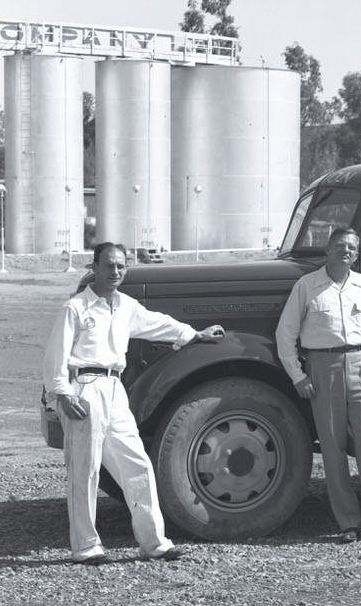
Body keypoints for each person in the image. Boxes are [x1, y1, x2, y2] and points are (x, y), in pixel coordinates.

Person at [43, 241, 225, 565]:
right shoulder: (76, 308)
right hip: (84, 388)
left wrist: (194, 334)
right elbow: (55, 354)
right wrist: (63, 394)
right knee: (84, 471)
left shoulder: (126, 306)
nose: (115, 271)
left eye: (121, 266)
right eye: (109, 265)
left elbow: (158, 324)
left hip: (115, 390)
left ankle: (154, 543)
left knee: (137, 464)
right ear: (94, 268)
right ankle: (85, 547)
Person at [275, 227, 361, 543]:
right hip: (322, 367)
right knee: (332, 446)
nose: (346, 251)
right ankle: (348, 522)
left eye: (352, 248)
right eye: (340, 245)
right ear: (327, 250)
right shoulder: (308, 286)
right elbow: (285, 334)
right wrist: (298, 375)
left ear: (357, 254)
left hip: (359, 365)